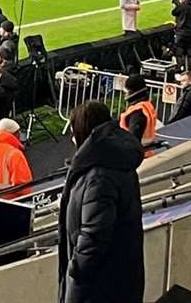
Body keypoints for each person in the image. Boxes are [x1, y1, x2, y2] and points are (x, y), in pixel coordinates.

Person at [58, 101, 144, 303]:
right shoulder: (116, 162)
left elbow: (94, 236)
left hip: (98, 288)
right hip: (118, 282)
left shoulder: (99, 177)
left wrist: (76, 269)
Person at [117, 73, 157, 145]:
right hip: (147, 151)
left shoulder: (137, 112)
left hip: (133, 153)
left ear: (132, 92)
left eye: (126, 91)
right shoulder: (147, 105)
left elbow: (133, 140)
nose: (125, 94)